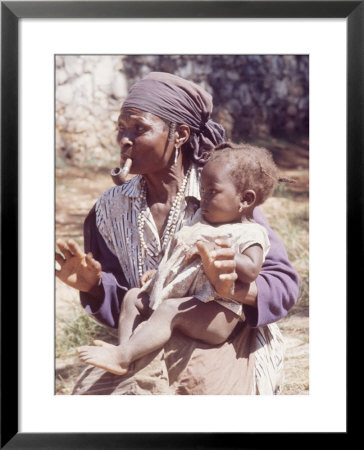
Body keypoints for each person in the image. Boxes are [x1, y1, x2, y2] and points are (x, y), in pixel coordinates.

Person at [55, 71, 300, 395]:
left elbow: (283, 284)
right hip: (148, 335)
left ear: (180, 134)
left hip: (221, 334)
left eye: (139, 128)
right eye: (121, 128)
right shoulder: (108, 210)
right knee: (93, 400)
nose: (124, 139)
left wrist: (231, 287)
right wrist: (96, 286)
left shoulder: (225, 197)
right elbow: (126, 305)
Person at [76, 142, 282, 376]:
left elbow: (253, 269)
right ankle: (125, 352)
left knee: (168, 310)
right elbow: (179, 257)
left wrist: (228, 257)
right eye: (202, 190)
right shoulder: (198, 222)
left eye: (212, 192)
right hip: (183, 299)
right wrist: (161, 273)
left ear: (245, 199)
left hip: (216, 312)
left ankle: (124, 356)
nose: (203, 197)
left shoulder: (250, 233)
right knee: (133, 297)